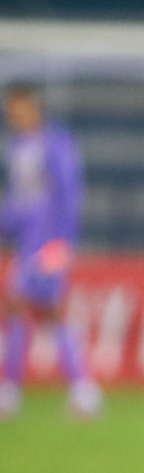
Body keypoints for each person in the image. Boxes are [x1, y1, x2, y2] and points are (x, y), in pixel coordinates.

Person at [0, 83, 100, 418]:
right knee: (35, 308)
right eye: (11, 109)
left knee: (31, 306)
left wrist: (63, 243)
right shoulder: (17, 146)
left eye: (20, 108)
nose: (14, 115)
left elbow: (70, 194)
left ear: (34, 108)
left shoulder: (55, 142)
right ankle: (81, 391)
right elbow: (20, 202)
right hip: (28, 241)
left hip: (48, 242)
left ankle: (14, 393)